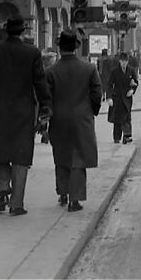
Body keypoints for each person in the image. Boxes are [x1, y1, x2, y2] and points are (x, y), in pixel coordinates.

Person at [0, 15, 51, 216]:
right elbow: (40, 82)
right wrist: (45, 105)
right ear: (23, 32)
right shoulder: (32, 53)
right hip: (23, 109)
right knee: (20, 155)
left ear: (5, 31)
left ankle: (2, 192)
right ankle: (17, 205)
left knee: (2, 150)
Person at [44, 29, 102, 213]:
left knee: (61, 155)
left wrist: (46, 117)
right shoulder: (89, 69)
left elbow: (46, 98)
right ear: (76, 48)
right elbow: (97, 94)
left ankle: (62, 192)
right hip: (81, 119)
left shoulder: (51, 71)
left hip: (59, 119)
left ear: (60, 49)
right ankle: (74, 200)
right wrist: (92, 111)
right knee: (78, 158)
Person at [108, 51, 139, 144]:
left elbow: (135, 82)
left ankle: (127, 136)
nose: (124, 63)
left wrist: (132, 90)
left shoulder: (131, 71)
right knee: (117, 118)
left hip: (127, 97)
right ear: (119, 62)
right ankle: (117, 138)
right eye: (122, 61)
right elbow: (109, 84)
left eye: (125, 61)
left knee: (127, 117)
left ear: (128, 61)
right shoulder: (114, 71)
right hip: (117, 97)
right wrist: (109, 98)